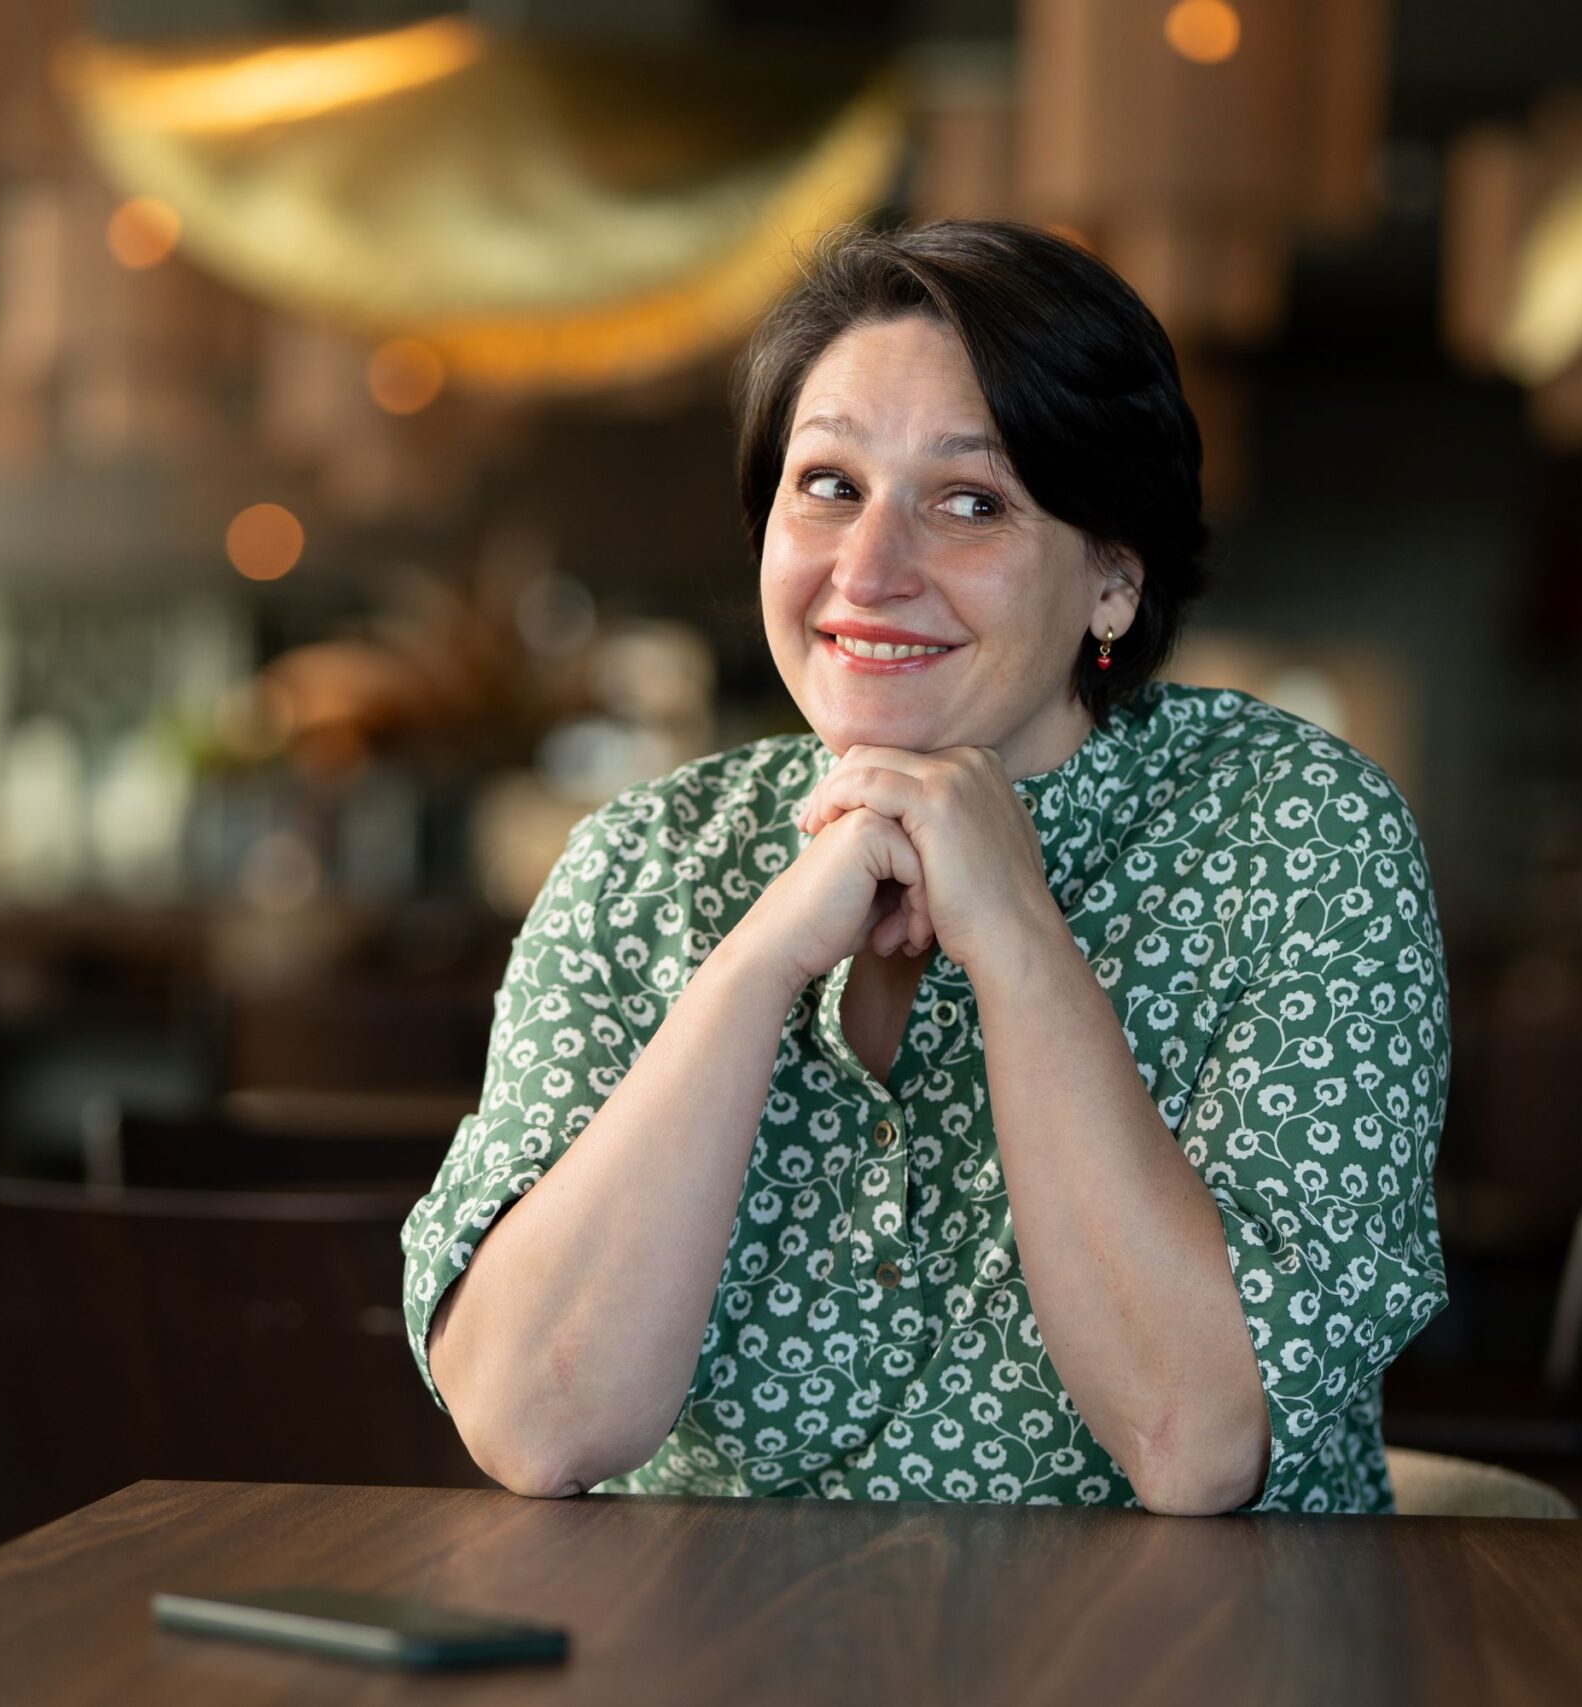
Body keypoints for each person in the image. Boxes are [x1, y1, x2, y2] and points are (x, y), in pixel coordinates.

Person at [403, 220, 1448, 1515]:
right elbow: (537, 1421)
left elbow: (1198, 1442)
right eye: (830, 485)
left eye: (971, 501)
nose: (870, 570)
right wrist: (759, 962)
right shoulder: (648, 862)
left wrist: (1015, 934)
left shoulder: (1293, 838)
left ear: (1113, 577)